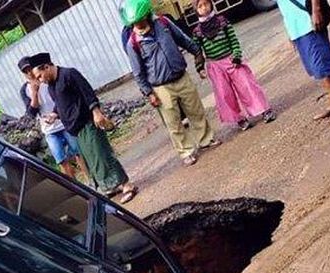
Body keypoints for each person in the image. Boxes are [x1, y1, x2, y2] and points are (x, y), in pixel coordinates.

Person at [29, 52, 139, 204]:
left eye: (40, 75)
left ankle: (127, 185)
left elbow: (87, 92)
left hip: (88, 122)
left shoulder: (69, 74)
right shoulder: (51, 87)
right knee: (92, 160)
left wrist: (96, 112)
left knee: (102, 154)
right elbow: (61, 103)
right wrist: (54, 114)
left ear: (46, 67)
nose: (40, 80)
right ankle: (111, 186)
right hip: (75, 129)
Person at [120, 0, 219, 166]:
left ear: (147, 15)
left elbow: (182, 38)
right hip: (161, 87)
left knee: (196, 111)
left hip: (181, 76)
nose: (139, 25)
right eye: (136, 23)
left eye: (141, 20)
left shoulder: (163, 23)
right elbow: (138, 73)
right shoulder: (133, 43)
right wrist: (149, 93)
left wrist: (197, 52)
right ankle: (186, 151)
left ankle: (206, 140)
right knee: (173, 123)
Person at [192, 0, 276, 131]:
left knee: (247, 85)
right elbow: (197, 51)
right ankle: (240, 119)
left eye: (206, 4)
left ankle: (264, 110)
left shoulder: (222, 21)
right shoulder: (197, 32)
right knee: (225, 94)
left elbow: (233, 40)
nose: (204, 8)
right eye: (200, 6)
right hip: (215, 66)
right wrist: (200, 67)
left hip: (231, 60)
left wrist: (236, 55)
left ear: (211, 4)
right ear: (196, 10)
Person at [277, 0, 330, 124]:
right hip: (297, 27)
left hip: (309, 21)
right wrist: (290, 31)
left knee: (328, 62)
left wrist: (316, 10)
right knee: (318, 68)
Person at [17, 56, 90, 181]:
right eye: (26, 71)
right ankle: (76, 187)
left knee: (79, 152)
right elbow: (31, 112)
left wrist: (57, 113)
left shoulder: (47, 79)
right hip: (49, 129)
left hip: (64, 122)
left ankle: (90, 181)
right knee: (61, 160)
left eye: (30, 69)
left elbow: (60, 97)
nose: (29, 73)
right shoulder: (25, 90)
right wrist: (34, 92)